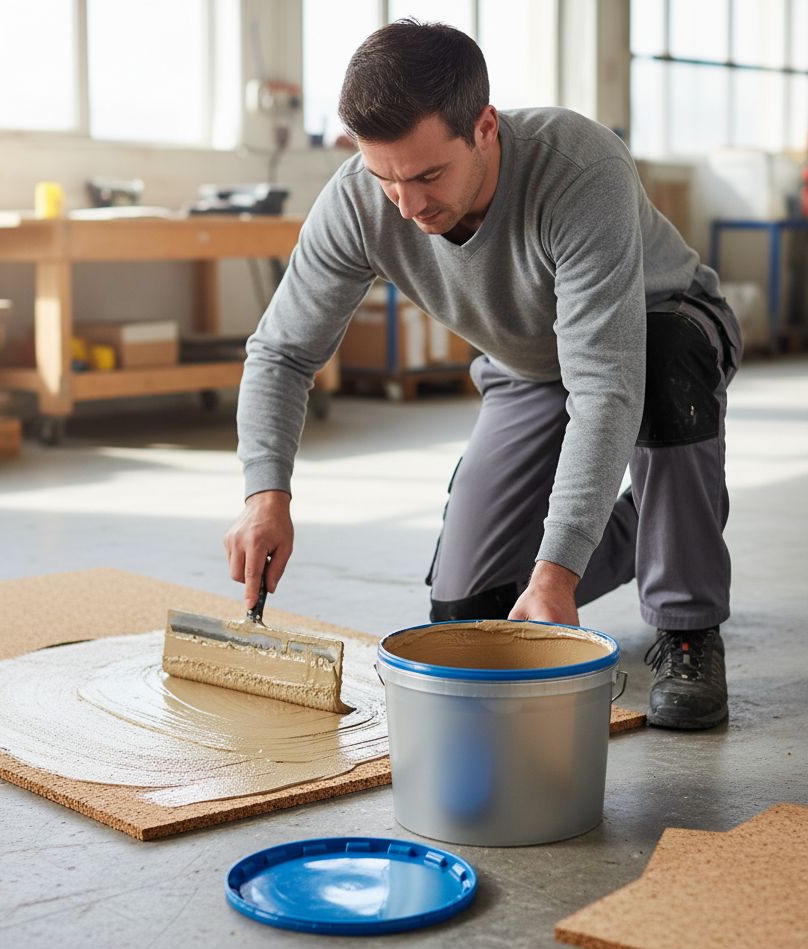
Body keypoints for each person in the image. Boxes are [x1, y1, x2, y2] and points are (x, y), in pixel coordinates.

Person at [223, 20, 742, 730]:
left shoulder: (578, 167)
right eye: (385, 178)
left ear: (485, 128)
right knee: (471, 616)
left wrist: (558, 572)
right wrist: (265, 493)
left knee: (667, 361)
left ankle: (687, 622)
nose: (407, 205)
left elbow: (606, 385)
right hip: (531, 368)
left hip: (659, 334)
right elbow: (281, 352)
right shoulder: (358, 203)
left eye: (427, 175)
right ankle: (669, 521)